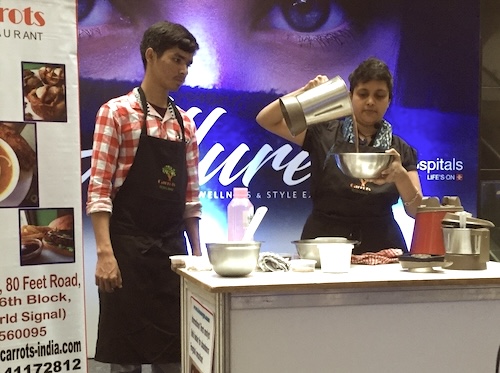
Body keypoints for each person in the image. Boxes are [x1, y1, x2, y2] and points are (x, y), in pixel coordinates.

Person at [86, 21, 202, 373]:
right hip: (127, 252)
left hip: (172, 252)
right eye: (176, 59)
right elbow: (100, 190)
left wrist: (198, 255)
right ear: (150, 56)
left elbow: (191, 200)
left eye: (188, 63)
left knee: (174, 354)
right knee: (126, 357)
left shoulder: (185, 124)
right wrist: (105, 254)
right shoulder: (117, 113)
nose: (182, 70)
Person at [256, 57, 422, 254]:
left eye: (379, 95)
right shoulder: (324, 133)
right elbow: (267, 119)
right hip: (323, 244)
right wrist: (305, 92)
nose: (370, 102)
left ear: (389, 101)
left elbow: (417, 212)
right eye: (363, 94)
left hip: (383, 247)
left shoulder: (400, 149)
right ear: (350, 97)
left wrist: (401, 176)